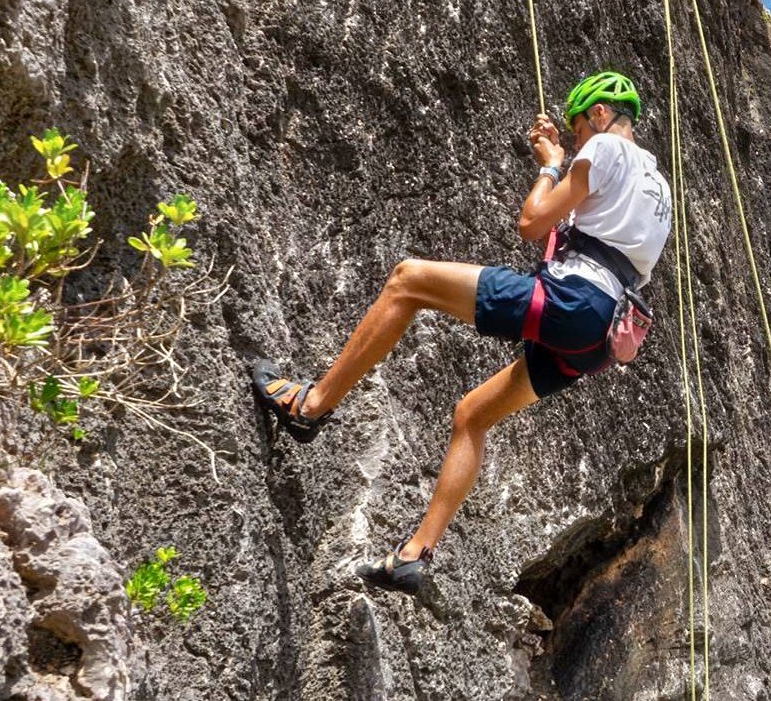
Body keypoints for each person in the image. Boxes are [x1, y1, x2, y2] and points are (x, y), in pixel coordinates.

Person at [250, 71, 673, 595]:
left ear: (601, 115)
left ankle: (309, 406)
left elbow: (532, 223)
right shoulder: (660, 189)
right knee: (472, 415)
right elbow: (601, 242)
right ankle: (413, 555)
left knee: (408, 281)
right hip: (601, 337)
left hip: (574, 301)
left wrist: (551, 166)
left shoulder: (606, 146)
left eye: (579, 128)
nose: (579, 138)